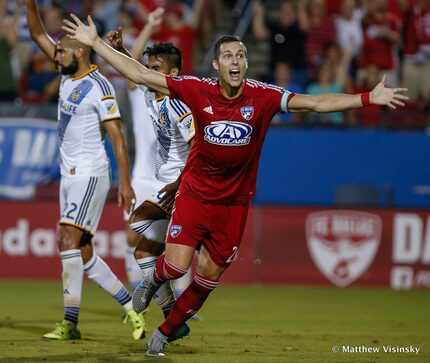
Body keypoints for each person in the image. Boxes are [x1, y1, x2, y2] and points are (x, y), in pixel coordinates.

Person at [62, 15, 408, 356]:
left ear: (245, 63)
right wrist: (95, 43)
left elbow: (316, 103)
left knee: (207, 279)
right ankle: (154, 281)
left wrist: (366, 98)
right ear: (216, 64)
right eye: (228, 55)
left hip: (234, 205)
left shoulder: (264, 97)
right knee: (175, 266)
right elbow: (138, 73)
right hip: (195, 195)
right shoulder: (198, 90)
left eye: (241, 55)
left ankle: (165, 333)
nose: (236, 61)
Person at [26, 0, 146, 341]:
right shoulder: (67, 72)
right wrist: (28, 2)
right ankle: (130, 307)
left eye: (61, 51)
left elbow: (117, 136)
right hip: (70, 175)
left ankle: (69, 322)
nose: (56, 55)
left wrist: (124, 182)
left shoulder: (100, 87)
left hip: (91, 174)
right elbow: (36, 32)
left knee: (66, 238)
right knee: (83, 251)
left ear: (79, 53)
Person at [107, 9, 197, 334]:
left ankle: (181, 301)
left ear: (171, 73)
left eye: (155, 69)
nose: (148, 73)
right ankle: (173, 315)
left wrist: (181, 181)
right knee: (143, 248)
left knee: (165, 246)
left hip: (183, 187)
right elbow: (130, 70)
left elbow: (199, 146)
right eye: (148, 68)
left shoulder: (179, 103)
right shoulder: (145, 93)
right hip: (155, 181)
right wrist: (119, 49)